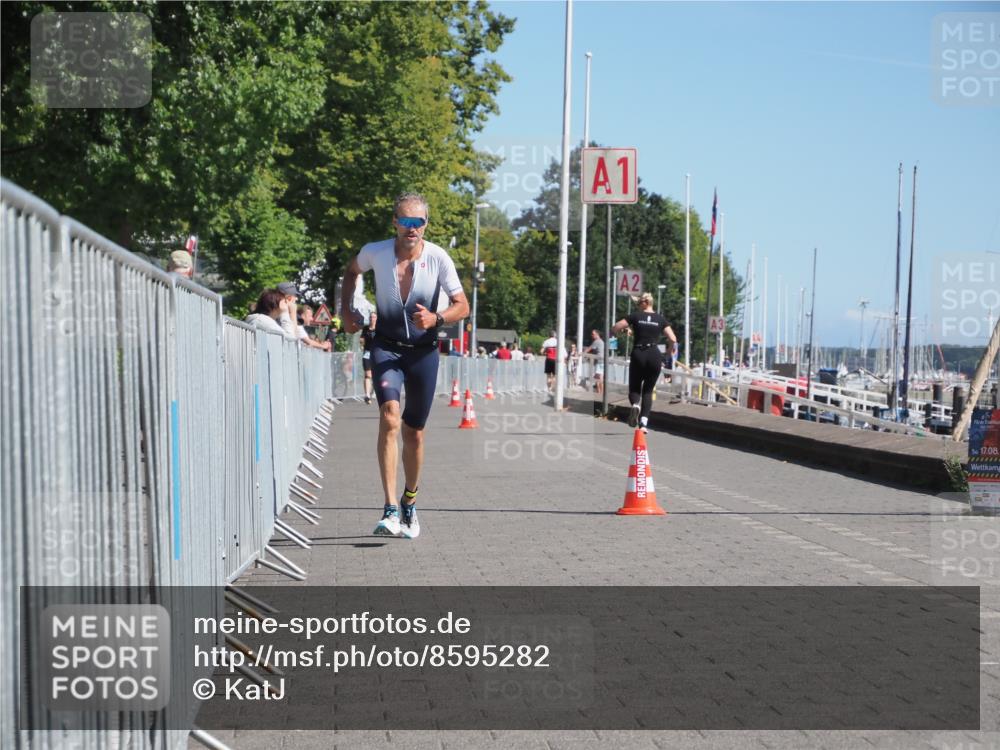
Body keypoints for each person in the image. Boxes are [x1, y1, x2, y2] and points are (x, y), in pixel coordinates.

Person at [340, 192, 469, 539]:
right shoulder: (376, 252)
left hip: (424, 353)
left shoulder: (438, 258)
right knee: (389, 418)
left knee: (414, 432)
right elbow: (350, 272)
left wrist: (437, 317)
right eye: (406, 222)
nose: (412, 229)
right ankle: (389, 509)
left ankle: (409, 500)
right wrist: (347, 310)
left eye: (419, 222)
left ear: (426, 224)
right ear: (395, 222)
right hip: (386, 347)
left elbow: (463, 305)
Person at [612, 292, 677, 433]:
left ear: (644, 303)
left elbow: (616, 326)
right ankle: (643, 424)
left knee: (635, 388)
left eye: (639, 303)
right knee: (648, 390)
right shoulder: (660, 319)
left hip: (638, 353)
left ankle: (635, 405)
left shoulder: (635, 316)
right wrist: (668, 353)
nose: (638, 305)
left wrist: (622, 330)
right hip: (654, 354)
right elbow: (673, 338)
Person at [360, 311, 377, 404]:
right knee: (368, 375)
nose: (372, 319)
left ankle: (374, 391)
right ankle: (367, 395)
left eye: (374, 317)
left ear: (376, 319)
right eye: (370, 317)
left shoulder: (379, 329)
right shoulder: (365, 328)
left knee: (376, 375)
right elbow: (362, 339)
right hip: (367, 353)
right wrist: (361, 342)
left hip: (377, 354)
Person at [585, 329, 605, 395]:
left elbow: (589, 348)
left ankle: (600, 392)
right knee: (597, 377)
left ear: (597, 334)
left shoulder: (597, 341)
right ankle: (600, 392)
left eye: (593, 334)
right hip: (602, 361)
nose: (592, 335)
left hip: (599, 361)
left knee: (599, 377)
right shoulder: (601, 341)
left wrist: (582, 353)